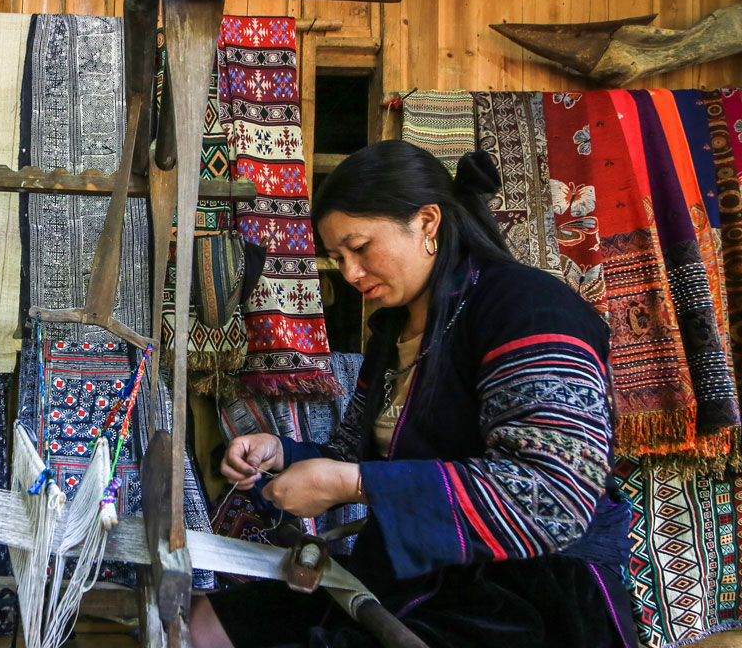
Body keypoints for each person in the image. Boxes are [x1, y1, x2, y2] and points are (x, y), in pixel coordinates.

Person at [188, 141, 637, 648]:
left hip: (528, 600)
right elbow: (349, 455)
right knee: (200, 624)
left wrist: (357, 484)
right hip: (419, 582)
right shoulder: (392, 336)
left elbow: (552, 496)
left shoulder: (528, 310)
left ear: (427, 222)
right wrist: (280, 454)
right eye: (338, 256)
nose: (351, 272)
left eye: (360, 247)